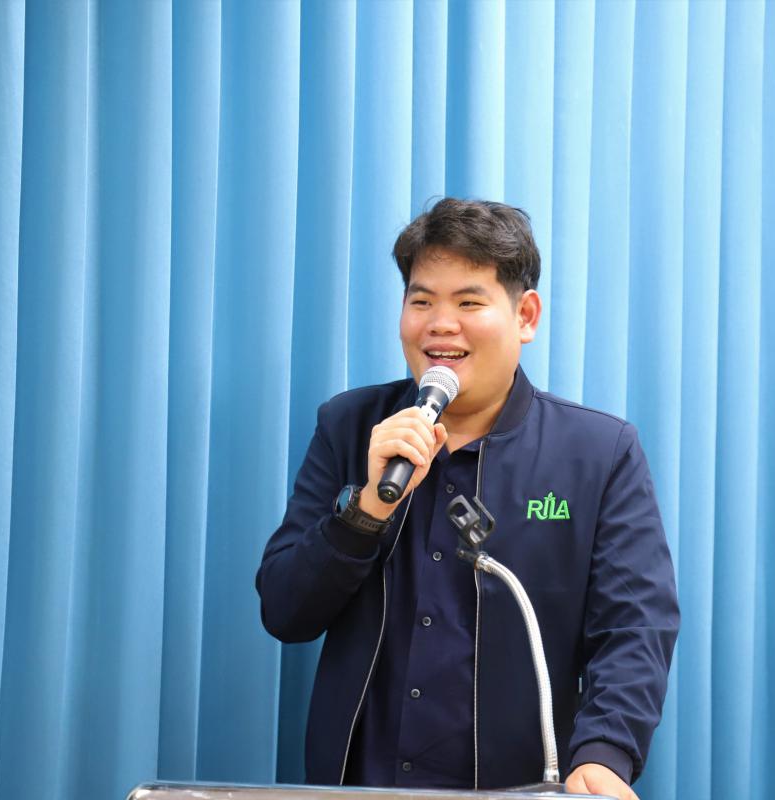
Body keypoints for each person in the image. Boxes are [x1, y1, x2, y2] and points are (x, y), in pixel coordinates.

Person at [256, 198, 679, 799]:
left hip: (520, 788)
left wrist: (607, 752)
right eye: (421, 301)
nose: (440, 324)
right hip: (360, 787)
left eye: (469, 302)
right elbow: (285, 611)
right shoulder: (350, 428)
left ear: (525, 315)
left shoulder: (598, 452)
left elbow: (634, 627)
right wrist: (367, 510)